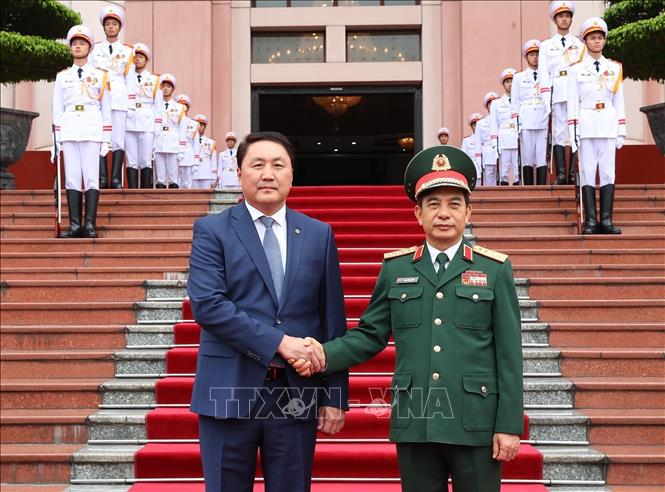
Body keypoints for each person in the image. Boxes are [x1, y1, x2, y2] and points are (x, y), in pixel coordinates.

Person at [292, 145, 524, 492]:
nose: (443, 213)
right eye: (433, 204)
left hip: (476, 422)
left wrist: (509, 424)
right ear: (418, 214)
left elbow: (509, 354)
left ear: (469, 212)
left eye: (454, 204)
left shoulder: (493, 269)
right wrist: (324, 354)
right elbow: (370, 335)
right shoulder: (397, 268)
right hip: (416, 419)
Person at [187, 131, 349, 491]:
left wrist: (335, 395)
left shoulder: (318, 234)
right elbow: (209, 306)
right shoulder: (212, 230)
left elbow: (332, 318)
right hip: (226, 391)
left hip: (295, 394)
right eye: (256, 165)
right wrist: (281, 343)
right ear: (240, 173)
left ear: (292, 175)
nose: (268, 174)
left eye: (278, 165)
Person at [52, 25, 111, 239]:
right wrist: (56, 139)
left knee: (92, 178)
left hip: (92, 128)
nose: (78, 47)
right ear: (70, 49)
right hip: (69, 130)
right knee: (73, 179)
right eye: (74, 44)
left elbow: (107, 109)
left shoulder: (100, 76)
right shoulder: (62, 77)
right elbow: (57, 109)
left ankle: (90, 225)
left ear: (90, 48)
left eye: (82, 43)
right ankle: (75, 225)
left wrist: (107, 138)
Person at [568, 17, 625, 235]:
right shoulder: (576, 70)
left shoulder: (614, 67)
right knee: (588, 171)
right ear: (585, 41)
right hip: (586, 123)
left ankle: (607, 221)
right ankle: (591, 221)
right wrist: (573, 132)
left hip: (608, 123)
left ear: (604, 41)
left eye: (600, 37)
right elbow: (573, 102)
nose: (597, 41)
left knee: (608, 173)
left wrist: (621, 129)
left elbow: (619, 101)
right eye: (592, 38)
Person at [539, 1, 586, 185]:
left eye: (567, 16)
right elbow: (543, 73)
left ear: (571, 19)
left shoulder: (580, 44)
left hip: (576, 91)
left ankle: (574, 173)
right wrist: (545, 97)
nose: (564, 19)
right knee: (559, 133)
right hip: (557, 92)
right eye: (561, 16)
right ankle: (561, 174)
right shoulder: (546, 45)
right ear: (555, 19)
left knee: (575, 130)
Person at [92, 5, 134, 189]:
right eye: (108, 24)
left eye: (114, 24)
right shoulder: (95, 49)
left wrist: (131, 103)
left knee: (118, 138)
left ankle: (116, 178)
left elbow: (130, 78)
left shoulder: (127, 51)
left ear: (119, 27)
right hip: (99, 97)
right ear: (103, 27)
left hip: (118, 97)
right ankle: (102, 177)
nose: (111, 27)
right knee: (101, 137)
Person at [512, 39, 550, 185]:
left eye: (537, 54)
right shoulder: (519, 77)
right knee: (527, 155)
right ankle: (527, 186)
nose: (535, 57)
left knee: (541, 155)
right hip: (526, 119)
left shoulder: (547, 75)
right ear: (526, 57)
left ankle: (541, 187)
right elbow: (515, 103)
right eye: (531, 54)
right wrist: (516, 124)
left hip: (542, 117)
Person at [125, 42, 160, 189]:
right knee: (131, 160)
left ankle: (145, 192)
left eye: (141, 57)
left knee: (145, 159)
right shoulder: (126, 78)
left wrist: (157, 127)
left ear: (146, 60)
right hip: (129, 121)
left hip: (147, 122)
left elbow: (158, 105)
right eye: (135, 57)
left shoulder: (154, 79)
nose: (137, 60)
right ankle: (132, 192)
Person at [153, 74, 186, 189]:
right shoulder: (154, 105)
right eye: (163, 86)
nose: (165, 88)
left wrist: (182, 148)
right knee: (160, 178)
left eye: (168, 86)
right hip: (158, 141)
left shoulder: (180, 108)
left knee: (173, 178)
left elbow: (182, 130)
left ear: (173, 89)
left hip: (173, 142)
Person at [490, 68, 520, 185]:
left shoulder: (520, 100)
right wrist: (494, 143)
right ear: (503, 84)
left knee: (517, 168)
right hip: (504, 139)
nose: (510, 84)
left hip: (517, 137)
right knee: (504, 170)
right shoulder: (496, 103)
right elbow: (494, 124)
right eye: (507, 82)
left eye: (512, 81)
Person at [474, 92, 499, 186]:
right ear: (487, 106)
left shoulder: (503, 119)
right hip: (488, 151)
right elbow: (477, 143)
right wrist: (478, 159)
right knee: (489, 177)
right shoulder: (481, 123)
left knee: (503, 175)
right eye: (490, 104)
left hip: (500, 149)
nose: (492, 106)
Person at [175, 94, 200, 189]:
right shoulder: (172, 121)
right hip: (174, 151)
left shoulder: (193, 124)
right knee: (175, 181)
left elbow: (196, 143)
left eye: (184, 105)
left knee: (187, 182)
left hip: (188, 154)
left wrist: (196, 161)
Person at [192, 114, 217, 189]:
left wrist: (214, 175)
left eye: (202, 125)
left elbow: (213, 160)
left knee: (206, 197)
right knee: (193, 197)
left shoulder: (211, 142)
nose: (199, 127)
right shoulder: (190, 141)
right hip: (193, 173)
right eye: (198, 125)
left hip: (206, 173)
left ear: (205, 127)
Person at [461, 113, 482, 180]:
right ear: (471, 126)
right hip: (473, 172)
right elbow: (463, 159)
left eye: (479, 124)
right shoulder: (466, 141)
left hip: (486, 173)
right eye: (475, 124)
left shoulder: (488, 140)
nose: (477, 127)